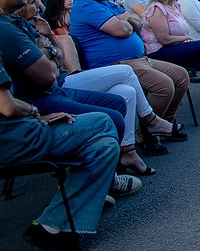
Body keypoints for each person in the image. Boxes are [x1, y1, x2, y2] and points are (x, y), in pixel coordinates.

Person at [16, 0, 174, 175]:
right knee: (125, 72)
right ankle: (150, 119)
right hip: (61, 85)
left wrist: (49, 38)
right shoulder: (19, 32)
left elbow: (57, 59)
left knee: (126, 92)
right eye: (33, 3)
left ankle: (128, 151)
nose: (39, 6)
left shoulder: (37, 28)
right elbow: (53, 71)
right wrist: (51, 49)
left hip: (61, 81)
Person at [0, 60, 120, 249]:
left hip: (12, 138)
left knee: (105, 146)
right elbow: (7, 106)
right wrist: (33, 111)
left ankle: (50, 227)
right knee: (103, 122)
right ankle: (60, 218)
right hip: (15, 139)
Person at [71, 0, 190, 144]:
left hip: (139, 59)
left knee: (181, 76)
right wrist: (126, 20)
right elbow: (123, 30)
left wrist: (124, 19)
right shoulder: (85, 6)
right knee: (164, 86)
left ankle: (166, 122)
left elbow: (139, 21)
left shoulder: (106, 4)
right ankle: (147, 133)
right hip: (116, 64)